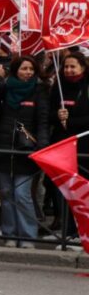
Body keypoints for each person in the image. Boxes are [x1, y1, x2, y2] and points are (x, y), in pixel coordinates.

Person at [0, 56, 49, 248]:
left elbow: (42, 122)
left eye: (31, 69)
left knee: (22, 194)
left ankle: (27, 236)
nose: (28, 72)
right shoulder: (5, 88)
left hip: (27, 150)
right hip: (4, 146)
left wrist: (41, 146)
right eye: (24, 69)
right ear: (15, 70)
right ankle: (10, 233)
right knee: (6, 194)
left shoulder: (39, 91)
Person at [48, 52, 89, 240]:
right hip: (61, 145)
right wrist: (57, 116)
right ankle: (67, 231)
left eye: (73, 66)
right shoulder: (58, 86)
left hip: (83, 148)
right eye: (66, 66)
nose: (69, 70)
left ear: (83, 67)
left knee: (80, 190)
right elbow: (47, 114)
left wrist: (71, 121)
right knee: (62, 190)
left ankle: (81, 232)